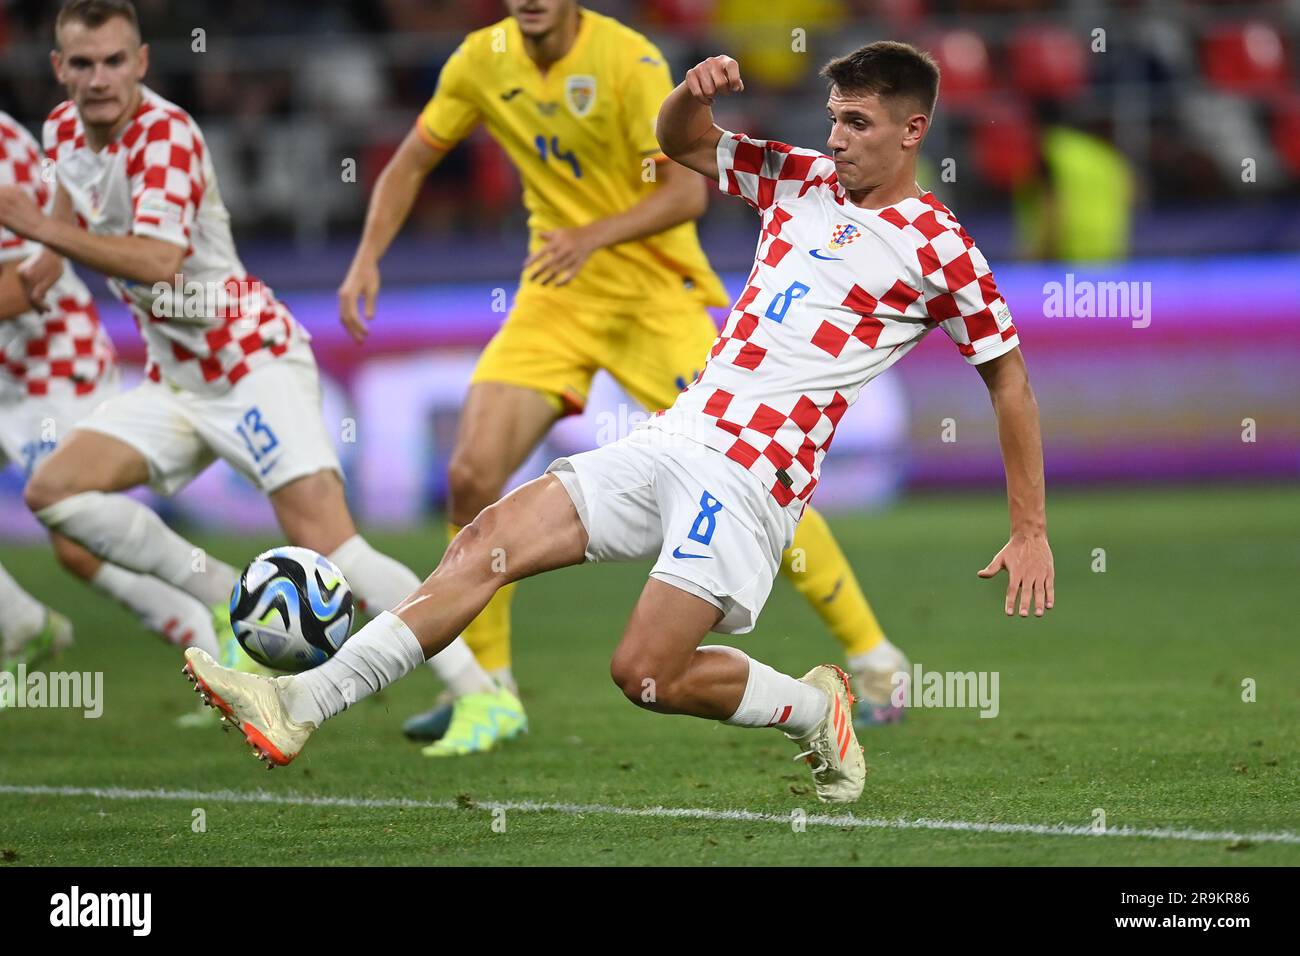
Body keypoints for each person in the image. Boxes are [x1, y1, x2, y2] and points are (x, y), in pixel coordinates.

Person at [184, 41, 1055, 804]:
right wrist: (692, 91)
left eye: (858, 123)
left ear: (913, 132)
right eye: (833, 118)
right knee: (484, 539)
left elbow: (1008, 381)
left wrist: (1030, 529)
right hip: (675, 435)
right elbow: (679, 142)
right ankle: (300, 705)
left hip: (752, 479)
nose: (836, 138)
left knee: (645, 674)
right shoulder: (802, 178)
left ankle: (814, 707)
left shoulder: (940, 247)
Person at [339, 0, 912, 755]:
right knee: (473, 474)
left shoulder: (629, 62)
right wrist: (367, 255)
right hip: (557, 294)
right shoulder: (481, 60)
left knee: (749, 471)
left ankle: (873, 660)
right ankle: (492, 694)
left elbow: (684, 190)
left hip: (653, 293)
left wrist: (593, 234)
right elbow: (412, 156)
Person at [0, 0, 514, 751]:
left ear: (142, 61)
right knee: (56, 491)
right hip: (177, 380)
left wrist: (43, 231)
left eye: (115, 61)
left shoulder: (166, 136)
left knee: (339, 551)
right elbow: (73, 209)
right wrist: (46, 255)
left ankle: (485, 694)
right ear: (58, 69)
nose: (100, 78)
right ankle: (219, 597)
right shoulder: (63, 135)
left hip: (251, 363)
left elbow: (158, 259)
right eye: (82, 63)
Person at [1, 109, 221, 705]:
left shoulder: (8, 152)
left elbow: (27, 283)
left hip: (51, 363)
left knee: (76, 538)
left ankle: (210, 637)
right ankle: (24, 625)